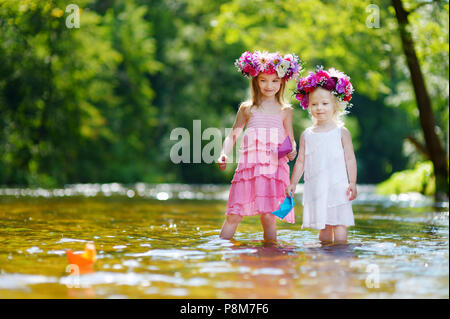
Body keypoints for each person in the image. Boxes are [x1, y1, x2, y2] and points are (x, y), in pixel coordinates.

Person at [217, 51, 303, 242]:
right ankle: (221, 255)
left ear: (281, 82)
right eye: (263, 80)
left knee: (268, 217)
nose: (269, 85)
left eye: (274, 81)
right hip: (248, 167)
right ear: (255, 81)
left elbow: (291, 139)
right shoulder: (247, 108)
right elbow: (233, 134)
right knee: (233, 214)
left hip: (273, 168)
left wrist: (293, 150)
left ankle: (271, 257)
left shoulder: (285, 110)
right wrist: (224, 153)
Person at [286, 66, 357, 244]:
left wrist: (353, 182)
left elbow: (350, 159)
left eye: (325, 104)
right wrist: (293, 183)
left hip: (338, 185)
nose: (319, 108)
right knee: (324, 225)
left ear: (335, 105)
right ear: (308, 106)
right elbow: (301, 161)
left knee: (340, 223)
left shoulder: (341, 132)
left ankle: (341, 256)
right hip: (318, 186)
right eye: (314, 104)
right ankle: (324, 259)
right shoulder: (307, 134)